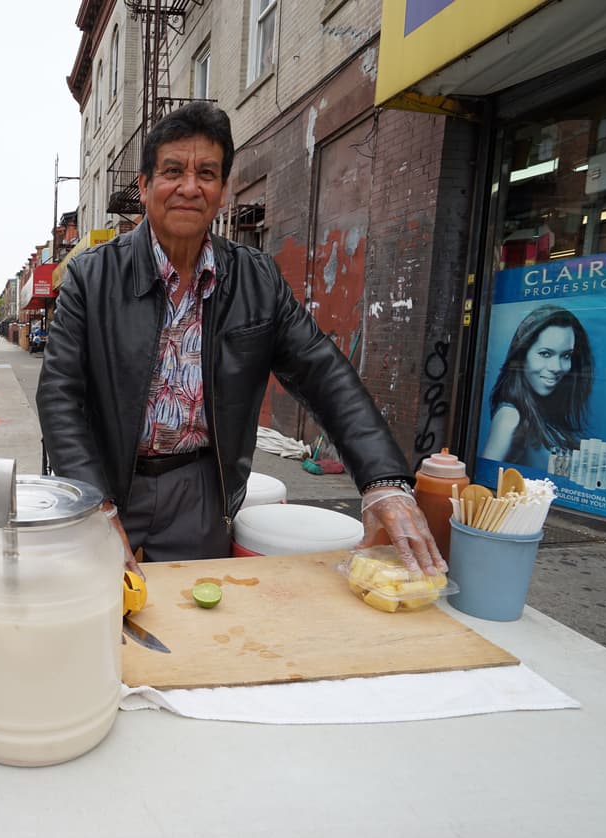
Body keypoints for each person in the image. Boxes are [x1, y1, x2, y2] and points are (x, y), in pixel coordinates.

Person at [36, 101, 442, 576]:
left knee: (196, 620)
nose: (190, 187)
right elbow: (59, 396)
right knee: (98, 613)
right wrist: (94, 504)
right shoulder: (91, 277)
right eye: (172, 171)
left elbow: (323, 372)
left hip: (200, 490)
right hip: (105, 480)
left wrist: (385, 480)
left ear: (223, 191)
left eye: (206, 173)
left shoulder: (256, 279)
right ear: (144, 186)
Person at [481, 304, 593, 471]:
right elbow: (484, 484)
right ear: (522, 356)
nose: (556, 367)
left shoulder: (544, 413)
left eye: (566, 355)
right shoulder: (510, 417)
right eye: (545, 354)